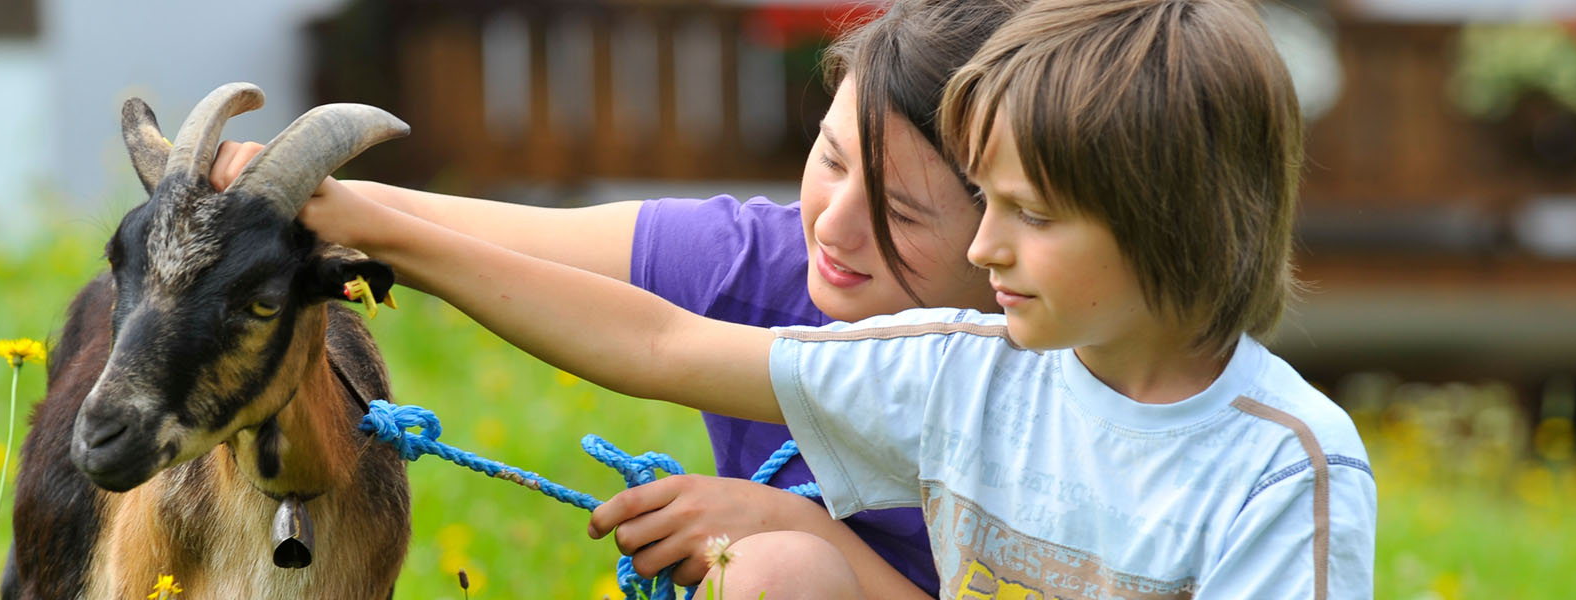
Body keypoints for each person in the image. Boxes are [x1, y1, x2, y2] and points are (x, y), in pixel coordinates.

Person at [275, 0, 1377, 596]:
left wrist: (828, 550)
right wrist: (368, 225)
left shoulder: (1285, 465)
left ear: (1168, 224)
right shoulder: (964, 364)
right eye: (987, 202)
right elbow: (658, 343)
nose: (991, 247)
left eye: (1029, 214)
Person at [213, 2, 1026, 595]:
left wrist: (795, 529)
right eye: (833, 159)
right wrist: (326, 205)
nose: (835, 228)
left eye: (901, 212)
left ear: (1014, 227)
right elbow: (531, 255)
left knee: (781, 570)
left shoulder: (1061, 370)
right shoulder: (767, 258)